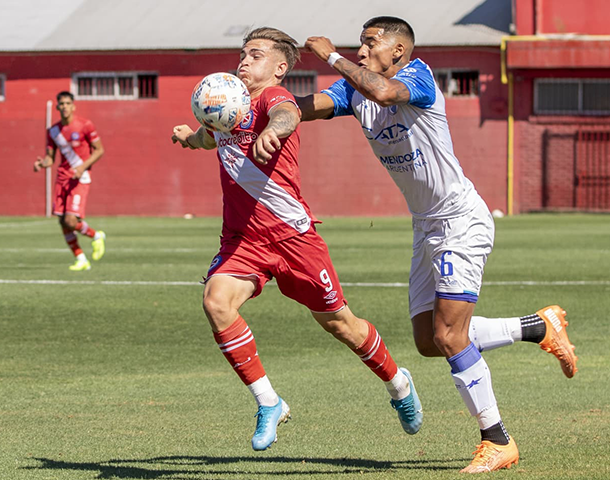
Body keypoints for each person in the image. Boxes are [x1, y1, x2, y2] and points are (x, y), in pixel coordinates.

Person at [300, 17, 578, 473]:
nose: (363, 51)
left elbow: (384, 93)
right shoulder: (355, 91)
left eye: (372, 44)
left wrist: (333, 56)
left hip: (460, 222)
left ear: (400, 51)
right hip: (426, 225)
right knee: (430, 341)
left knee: (450, 335)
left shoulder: (417, 77)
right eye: (360, 45)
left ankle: (497, 440)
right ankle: (538, 326)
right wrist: (249, 109)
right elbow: (307, 106)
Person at [170, 27, 422, 452]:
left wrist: (276, 130)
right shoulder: (226, 105)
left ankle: (398, 383)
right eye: (243, 54)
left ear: (279, 68)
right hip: (243, 240)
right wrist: (188, 139)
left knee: (340, 325)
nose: (245, 61)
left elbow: (288, 114)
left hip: (294, 240)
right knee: (216, 301)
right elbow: (207, 136)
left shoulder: (273, 100)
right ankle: (270, 402)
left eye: (256, 55)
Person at [33, 91, 106, 271]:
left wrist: (82, 167)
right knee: (62, 221)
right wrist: (42, 163)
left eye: (67, 103)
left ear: (73, 106)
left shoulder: (85, 125)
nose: (64, 107)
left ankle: (96, 236)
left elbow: (99, 150)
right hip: (62, 178)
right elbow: (50, 158)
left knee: (71, 220)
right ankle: (80, 258)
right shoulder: (53, 131)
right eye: (62, 104)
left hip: (80, 178)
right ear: (57, 107)